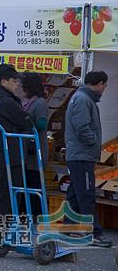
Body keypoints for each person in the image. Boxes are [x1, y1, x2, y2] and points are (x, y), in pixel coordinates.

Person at [65, 70, 112, 248]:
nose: (104, 89)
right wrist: (93, 143)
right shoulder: (83, 100)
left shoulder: (83, 98)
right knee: (86, 193)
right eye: (104, 85)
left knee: (75, 193)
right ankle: (94, 233)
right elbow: (82, 128)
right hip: (81, 154)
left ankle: (68, 227)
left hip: (80, 154)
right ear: (99, 84)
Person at [0, 64, 32, 217]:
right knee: (9, 193)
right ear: (4, 81)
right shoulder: (7, 101)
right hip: (10, 153)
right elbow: (27, 121)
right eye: (14, 81)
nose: (17, 85)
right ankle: (5, 230)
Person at [21, 72, 49, 217]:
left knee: (35, 181)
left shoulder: (40, 103)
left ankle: (37, 212)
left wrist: (25, 124)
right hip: (25, 149)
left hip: (35, 149)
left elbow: (42, 123)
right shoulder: (26, 101)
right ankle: (27, 211)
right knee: (27, 180)